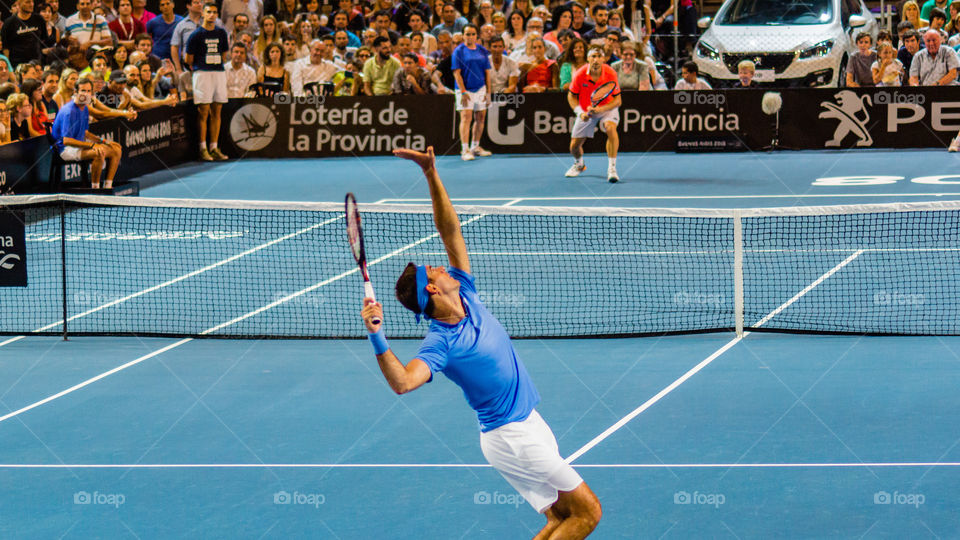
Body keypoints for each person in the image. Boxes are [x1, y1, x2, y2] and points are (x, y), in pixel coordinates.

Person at [364, 145, 603, 540]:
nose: (442, 264)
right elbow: (404, 382)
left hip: (528, 423)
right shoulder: (441, 342)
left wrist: (431, 174)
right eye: (434, 268)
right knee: (588, 513)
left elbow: (450, 229)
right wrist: (377, 335)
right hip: (511, 437)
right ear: (431, 288)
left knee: (561, 519)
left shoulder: (467, 293)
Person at [51, 77, 123, 189]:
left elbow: (85, 133)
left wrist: (104, 141)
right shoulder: (68, 111)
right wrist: (93, 145)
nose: (87, 94)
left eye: (89, 91)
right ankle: (95, 190)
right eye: (83, 91)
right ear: (75, 93)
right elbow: (66, 140)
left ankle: (108, 187)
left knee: (116, 149)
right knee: (99, 152)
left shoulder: (84, 108)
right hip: (65, 149)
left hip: (78, 146)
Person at [566, 45, 621, 182]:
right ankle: (579, 164)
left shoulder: (610, 73)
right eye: (593, 56)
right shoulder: (580, 74)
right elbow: (571, 96)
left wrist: (601, 109)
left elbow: (618, 100)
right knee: (574, 147)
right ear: (588, 59)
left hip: (607, 109)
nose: (596, 60)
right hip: (586, 110)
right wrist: (580, 113)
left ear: (603, 59)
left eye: (599, 56)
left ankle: (612, 169)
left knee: (610, 128)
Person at [185, 2, 230, 161]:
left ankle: (214, 147)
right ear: (203, 14)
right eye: (209, 12)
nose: (212, 15)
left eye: (214, 12)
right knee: (203, 111)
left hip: (218, 72)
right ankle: (202, 148)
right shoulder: (195, 35)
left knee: (217, 111)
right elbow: (188, 59)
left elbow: (224, 55)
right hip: (202, 73)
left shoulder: (222, 33)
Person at [452, 23, 492, 160]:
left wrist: (488, 93)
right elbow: (457, 74)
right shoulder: (458, 51)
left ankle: (475, 147)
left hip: (481, 88)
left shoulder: (482, 50)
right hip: (465, 90)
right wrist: (463, 92)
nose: (470, 36)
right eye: (467, 34)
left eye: (473, 34)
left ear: (477, 36)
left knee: (480, 117)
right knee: (466, 117)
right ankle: (465, 150)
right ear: (463, 36)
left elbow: (487, 73)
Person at [3, 0, 48, 67]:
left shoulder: (39, 19)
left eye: (32, 1)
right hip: (17, 65)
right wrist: (9, 66)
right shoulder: (9, 23)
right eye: (27, 2)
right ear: (18, 3)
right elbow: (6, 47)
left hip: (36, 63)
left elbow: (43, 39)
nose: (31, 4)